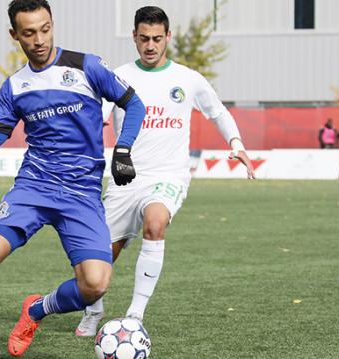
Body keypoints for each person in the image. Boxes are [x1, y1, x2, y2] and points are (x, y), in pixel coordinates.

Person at [0, 0, 146, 357]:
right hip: (34, 187)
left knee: (96, 285)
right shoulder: (15, 87)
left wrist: (123, 149)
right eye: (29, 33)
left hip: (81, 193)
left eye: (45, 28)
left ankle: (36, 309)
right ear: (14, 35)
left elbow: (134, 103)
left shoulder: (87, 66)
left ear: (52, 24)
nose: (39, 39)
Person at [74, 5, 256, 337]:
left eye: (158, 38)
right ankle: (93, 309)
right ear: (134, 37)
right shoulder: (119, 77)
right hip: (124, 179)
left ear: (168, 37)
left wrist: (236, 142)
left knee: (155, 225)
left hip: (168, 176)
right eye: (144, 38)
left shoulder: (188, 78)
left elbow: (218, 111)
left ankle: (134, 315)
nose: (151, 45)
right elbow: (93, 118)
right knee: (97, 265)